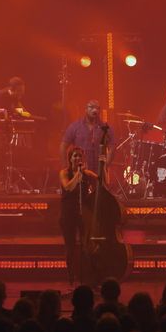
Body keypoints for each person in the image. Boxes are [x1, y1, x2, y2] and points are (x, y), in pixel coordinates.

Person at [0, 77, 31, 191]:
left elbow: (22, 111)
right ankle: (0, 181)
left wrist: (29, 116)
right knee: (0, 151)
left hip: (7, 128)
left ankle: (10, 181)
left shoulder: (15, 98)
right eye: (20, 92)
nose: (21, 94)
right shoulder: (1, 95)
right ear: (12, 89)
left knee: (11, 153)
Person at [59, 146, 98, 286]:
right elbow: (68, 187)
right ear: (70, 159)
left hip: (83, 214)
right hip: (68, 214)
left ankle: (87, 276)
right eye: (75, 156)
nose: (77, 158)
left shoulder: (87, 174)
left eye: (79, 156)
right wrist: (78, 174)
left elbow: (102, 181)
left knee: (86, 245)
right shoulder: (64, 173)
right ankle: (71, 279)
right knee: (70, 247)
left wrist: (104, 164)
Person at [60, 99, 114, 176]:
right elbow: (63, 146)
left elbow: (112, 146)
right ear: (85, 109)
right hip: (79, 171)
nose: (95, 110)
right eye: (91, 107)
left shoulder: (105, 128)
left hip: (99, 172)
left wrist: (106, 165)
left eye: (97, 108)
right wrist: (66, 167)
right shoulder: (75, 126)